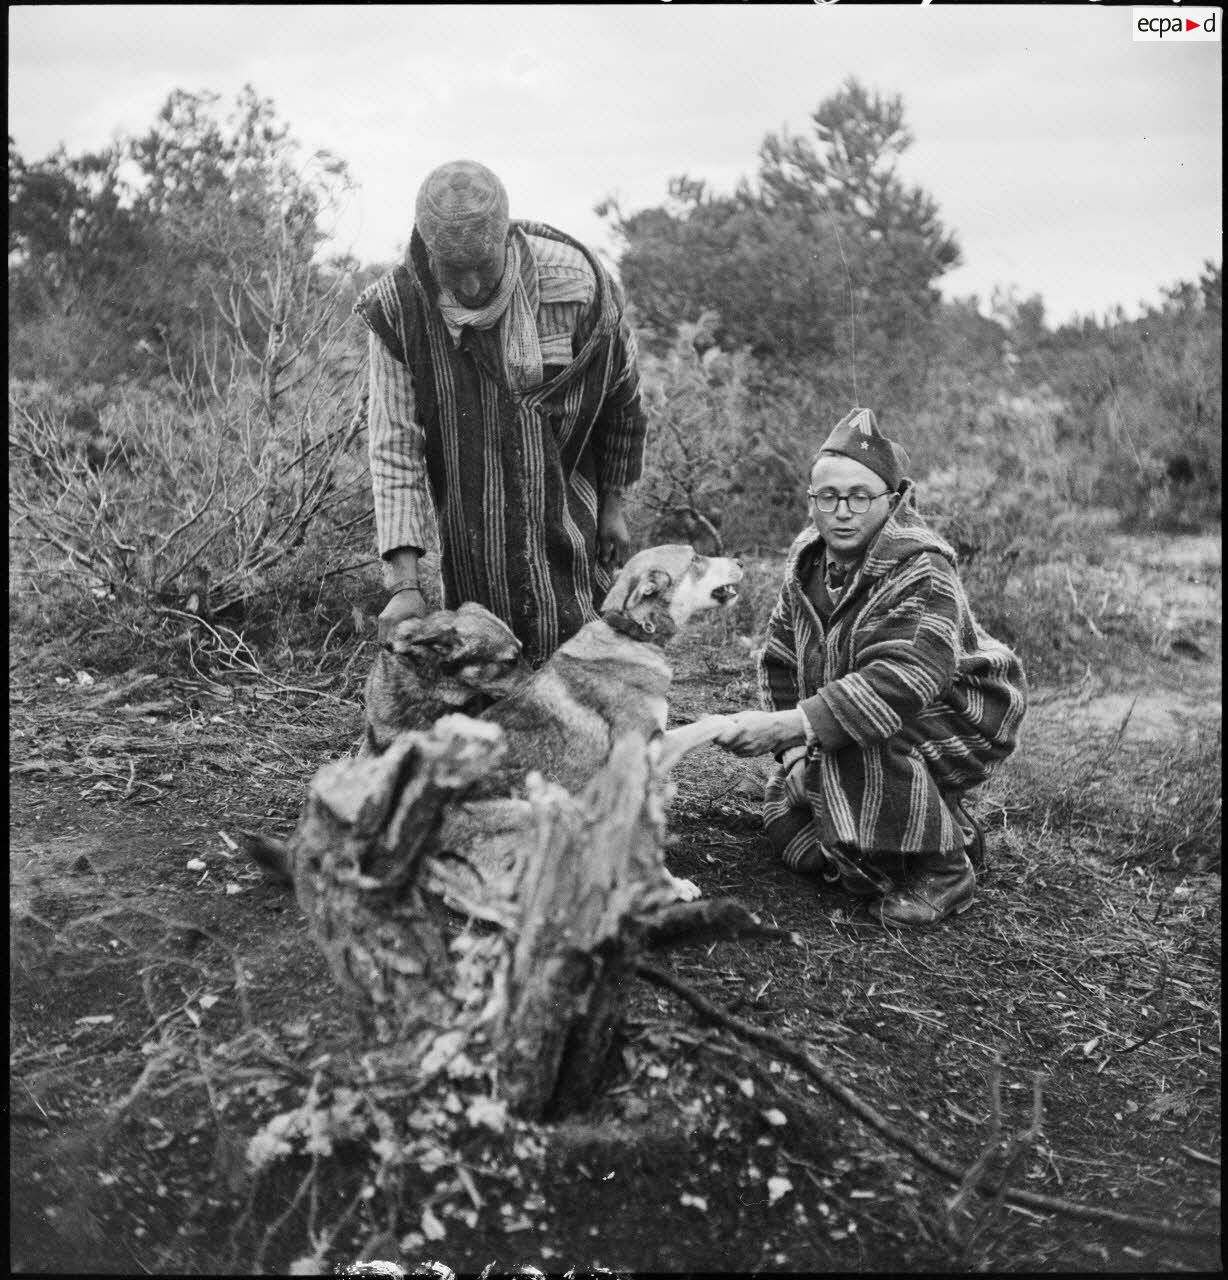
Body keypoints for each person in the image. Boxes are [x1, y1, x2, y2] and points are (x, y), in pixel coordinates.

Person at [713, 407, 1028, 927]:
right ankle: (951, 829)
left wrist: (793, 727)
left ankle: (944, 871)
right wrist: (794, 756)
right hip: (861, 709)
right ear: (812, 501)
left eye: (861, 497)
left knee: (861, 741)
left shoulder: (921, 566)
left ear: (892, 499)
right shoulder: (809, 560)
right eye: (828, 497)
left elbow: (900, 684)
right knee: (794, 826)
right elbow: (780, 659)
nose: (842, 512)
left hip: (961, 710)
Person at [354, 159, 647, 665]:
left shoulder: (574, 286)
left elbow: (621, 397)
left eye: (482, 267)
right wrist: (404, 584)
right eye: (452, 269)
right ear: (427, 248)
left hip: (569, 505)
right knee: (485, 664)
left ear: (506, 239)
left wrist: (614, 507)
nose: (468, 287)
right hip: (472, 522)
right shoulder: (399, 309)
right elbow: (395, 448)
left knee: (580, 663)